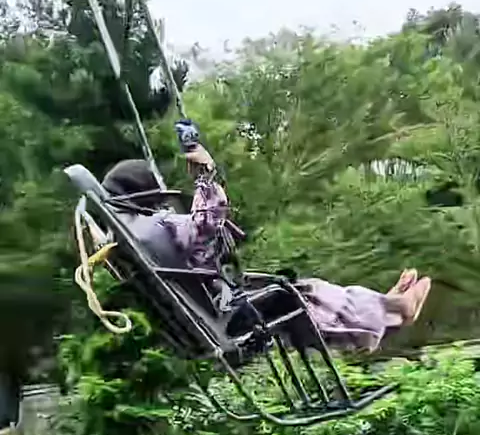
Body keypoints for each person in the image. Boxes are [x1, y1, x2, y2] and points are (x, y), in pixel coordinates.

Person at [102, 142, 431, 355]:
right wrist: (206, 176)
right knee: (306, 293)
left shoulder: (122, 241)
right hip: (222, 315)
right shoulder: (157, 228)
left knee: (306, 302)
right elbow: (207, 223)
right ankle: (395, 308)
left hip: (193, 321)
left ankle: (390, 308)